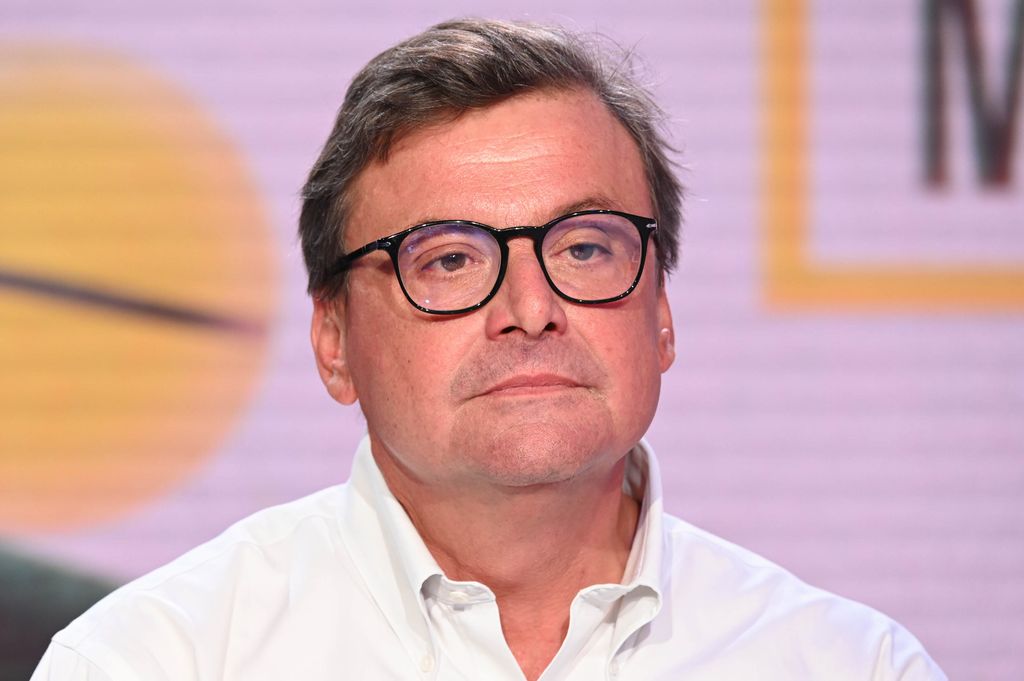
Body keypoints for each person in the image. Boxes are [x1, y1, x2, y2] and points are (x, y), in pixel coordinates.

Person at [32, 18, 947, 681]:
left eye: (584, 248)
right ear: (333, 341)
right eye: (449, 259)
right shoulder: (156, 658)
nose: (530, 308)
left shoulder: (847, 663)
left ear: (662, 314)